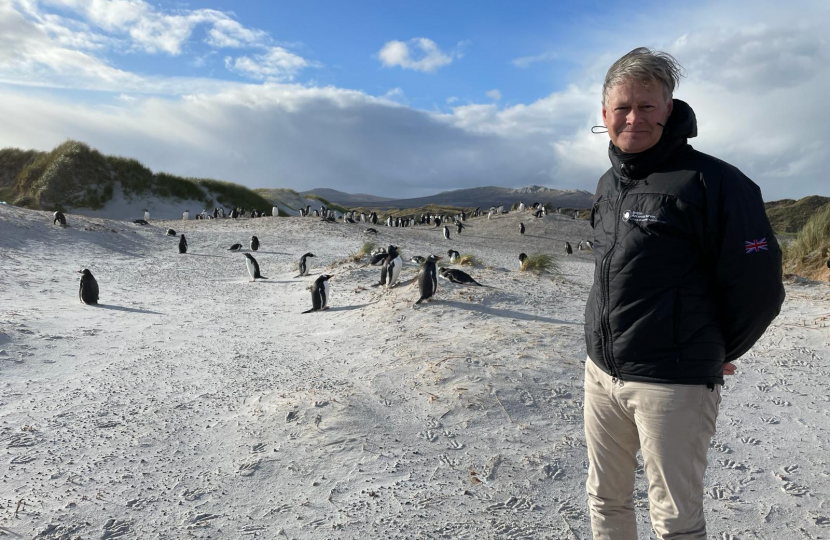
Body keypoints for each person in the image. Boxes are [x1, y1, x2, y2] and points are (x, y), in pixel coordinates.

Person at [584, 48, 784, 540]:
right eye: (623, 108)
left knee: (674, 519)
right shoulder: (609, 184)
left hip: (673, 382)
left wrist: (715, 349)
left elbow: (759, 287)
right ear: (604, 114)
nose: (634, 118)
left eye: (647, 106)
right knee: (605, 500)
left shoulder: (716, 182)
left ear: (669, 109)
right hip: (601, 373)